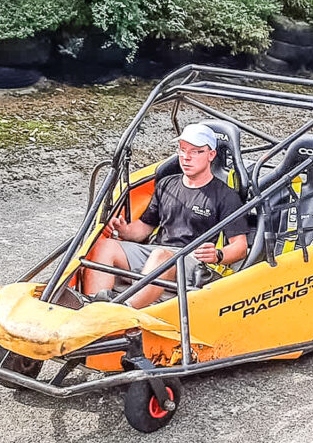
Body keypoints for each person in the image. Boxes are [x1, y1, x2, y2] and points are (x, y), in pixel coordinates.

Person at [82, 123, 249, 308]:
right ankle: (92, 307)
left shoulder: (226, 196)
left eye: (196, 152)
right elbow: (144, 228)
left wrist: (218, 254)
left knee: (161, 256)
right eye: (183, 150)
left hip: (194, 261)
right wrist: (124, 229)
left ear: (211, 155)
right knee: (105, 246)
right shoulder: (166, 184)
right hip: (156, 253)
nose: (186, 157)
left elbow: (240, 247)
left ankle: (125, 311)